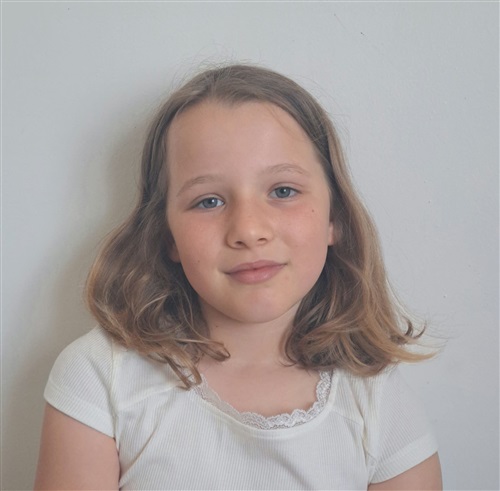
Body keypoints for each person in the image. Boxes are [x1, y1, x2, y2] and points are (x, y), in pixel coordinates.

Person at [34, 64, 442, 490]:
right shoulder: (102, 378)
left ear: (334, 218)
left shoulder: (379, 404)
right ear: (166, 235)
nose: (248, 230)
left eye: (283, 191)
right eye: (208, 201)